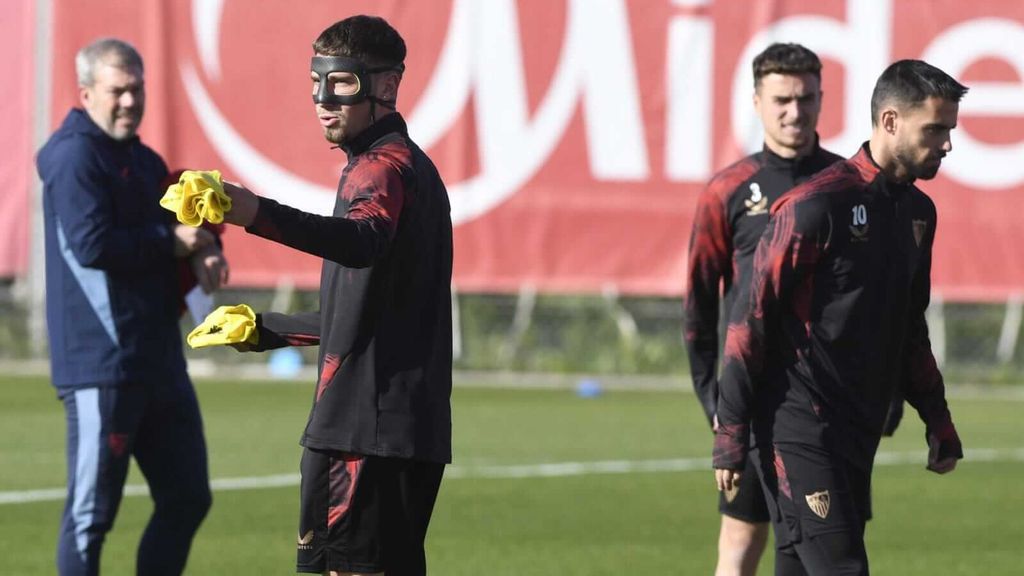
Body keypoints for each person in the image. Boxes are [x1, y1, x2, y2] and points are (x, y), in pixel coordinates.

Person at [217, 15, 453, 576]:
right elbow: (373, 317)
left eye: (342, 83)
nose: (323, 99)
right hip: (402, 432)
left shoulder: (381, 167)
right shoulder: (409, 167)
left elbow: (363, 240)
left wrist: (253, 211)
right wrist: (267, 327)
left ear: (387, 86)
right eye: (315, 81)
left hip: (358, 438)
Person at [712, 59, 966, 575]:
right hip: (796, 426)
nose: (946, 144)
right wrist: (730, 433)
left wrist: (936, 416)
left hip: (858, 426)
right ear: (890, 121)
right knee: (843, 567)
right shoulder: (813, 207)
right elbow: (750, 322)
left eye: (949, 130)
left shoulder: (919, 214)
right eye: (934, 129)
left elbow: (910, 326)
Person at [36, 38, 229, 575]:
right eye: (117, 90)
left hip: (159, 358)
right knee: (90, 519)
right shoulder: (74, 155)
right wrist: (173, 242)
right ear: (87, 93)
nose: (129, 101)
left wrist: (206, 248)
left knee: (188, 497)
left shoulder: (144, 161)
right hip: (104, 365)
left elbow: (178, 229)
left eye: (137, 89)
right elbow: (93, 243)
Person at [684, 42, 842, 576]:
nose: (794, 111)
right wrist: (714, 399)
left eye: (806, 98)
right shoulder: (726, 190)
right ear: (756, 102)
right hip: (751, 397)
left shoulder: (849, 187)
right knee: (740, 545)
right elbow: (700, 304)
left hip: (826, 401)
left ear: (821, 99)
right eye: (781, 99)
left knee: (823, 546)